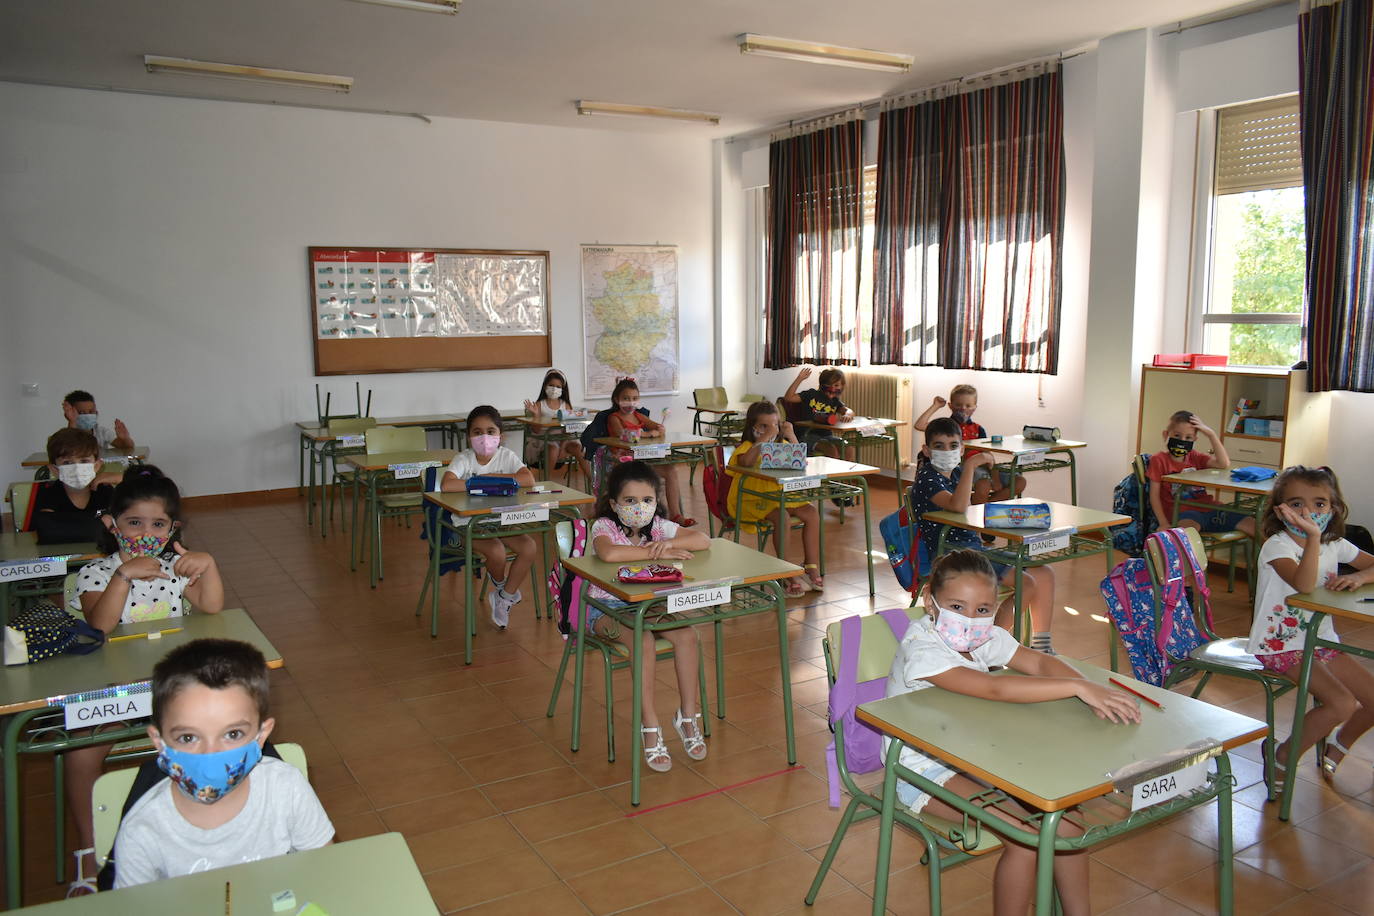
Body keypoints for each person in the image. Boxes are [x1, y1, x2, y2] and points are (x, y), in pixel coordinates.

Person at [885, 549, 1139, 916]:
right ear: (929, 600)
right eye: (957, 606)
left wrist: (1087, 689)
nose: (970, 620)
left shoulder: (981, 636)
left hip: (976, 757)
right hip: (919, 770)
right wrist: (1077, 689)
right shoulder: (923, 647)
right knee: (1027, 839)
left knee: (1067, 825)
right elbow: (994, 689)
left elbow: (1036, 659)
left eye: (983, 610)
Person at [63, 465, 224, 895]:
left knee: (216, 732)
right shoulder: (97, 573)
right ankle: (88, 848)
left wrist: (206, 566)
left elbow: (211, 607)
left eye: (158, 524)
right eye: (134, 523)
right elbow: (100, 624)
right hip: (118, 690)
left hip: (169, 690)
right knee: (80, 753)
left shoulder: (173, 568)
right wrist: (124, 576)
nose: (145, 533)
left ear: (173, 529)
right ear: (112, 526)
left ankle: (199, 833)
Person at [111, 638, 334, 887]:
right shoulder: (142, 831)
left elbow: (324, 873)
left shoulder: (286, 788)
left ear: (261, 735)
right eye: (188, 737)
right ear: (158, 740)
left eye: (233, 734)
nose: (211, 753)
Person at [1246, 466, 1374, 784]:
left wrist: (1357, 575)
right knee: (1342, 703)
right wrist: (1314, 538)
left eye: (1319, 504)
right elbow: (1304, 584)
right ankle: (1282, 756)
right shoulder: (1277, 546)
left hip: (1321, 639)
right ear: (1280, 509)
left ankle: (1338, 747)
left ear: (1333, 509)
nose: (1309, 512)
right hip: (1279, 645)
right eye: (1297, 503)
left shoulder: (1336, 544)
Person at [587, 460, 711, 772]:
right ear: (614, 504)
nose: (639, 508)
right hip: (606, 608)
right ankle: (650, 725)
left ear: (656, 502)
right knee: (641, 641)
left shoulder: (657, 527)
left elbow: (702, 540)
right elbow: (610, 554)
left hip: (649, 605)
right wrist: (660, 552)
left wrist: (667, 542)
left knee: (686, 634)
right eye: (630, 501)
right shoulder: (603, 526)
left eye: (647, 500)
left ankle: (687, 715)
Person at [909, 419, 1058, 654]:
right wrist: (971, 467)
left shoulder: (956, 473)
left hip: (972, 549)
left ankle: (1042, 646)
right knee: (1026, 582)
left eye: (952, 445)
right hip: (951, 554)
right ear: (927, 450)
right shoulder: (926, 479)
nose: (946, 451)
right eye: (939, 446)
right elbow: (958, 506)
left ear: (961, 448)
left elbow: (979, 502)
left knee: (1044, 573)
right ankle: (985, 647)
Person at [440, 405, 538, 629]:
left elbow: (528, 480)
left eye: (491, 431)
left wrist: (491, 476)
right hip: (467, 524)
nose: (484, 437)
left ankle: (503, 596)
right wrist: (484, 482)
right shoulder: (464, 458)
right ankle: (502, 585)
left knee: (529, 547)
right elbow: (447, 484)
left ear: (500, 436)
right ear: (468, 437)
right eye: (477, 432)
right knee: (496, 551)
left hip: (501, 519)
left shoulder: (506, 455)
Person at [725, 401, 823, 596]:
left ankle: (811, 565)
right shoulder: (747, 446)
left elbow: (801, 462)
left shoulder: (781, 446)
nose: (771, 430)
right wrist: (763, 440)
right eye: (764, 426)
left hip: (780, 496)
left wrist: (791, 435)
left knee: (811, 512)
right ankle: (785, 572)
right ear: (752, 427)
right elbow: (745, 462)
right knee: (783, 517)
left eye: (775, 425)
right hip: (752, 499)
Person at [1145, 410, 1256, 538]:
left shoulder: (1195, 457)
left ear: (1194, 439)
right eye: (1177, 435)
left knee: (1253, 525)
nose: (1182, 440)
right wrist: (1163, 523)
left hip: (1210, 509)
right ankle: (1190, 558)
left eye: (1188, 437)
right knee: (1188, 534)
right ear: (1166, 435)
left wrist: (1211, 434)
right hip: (1183, 513)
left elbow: (1223, 463)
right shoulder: (1159, 460)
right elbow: (1154, 496)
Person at [605, 378, 694, 526]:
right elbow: (625, 435)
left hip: (643, 459)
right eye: (626, 399)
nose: (630, 402)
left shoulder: (639, 416)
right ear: (616, 399)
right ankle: (651, 516)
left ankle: (676, 515)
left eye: (634, 399)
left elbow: (657, 427)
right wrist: (648, 434)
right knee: (651, 477)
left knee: (670, 470)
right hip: (624, 463)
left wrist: (659, 429)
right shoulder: (614, 418)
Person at [914, 384, 1022, 500]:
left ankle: (989, 508)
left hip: (983, 466)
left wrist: (995, 478)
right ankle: (978, 511)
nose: (963, 409)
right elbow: (919, 425)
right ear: (950, 406)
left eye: (968, 405)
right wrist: (936, 406)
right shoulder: (947, 427)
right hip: (964, 467)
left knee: (1020, 482)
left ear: (975, 407)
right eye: (958, 405)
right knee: (984, 485)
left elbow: (988, 455)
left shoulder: (978, 429)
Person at [32, 429, 123, 544]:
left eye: (84, 461)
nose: (76, 468)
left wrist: (124, 478)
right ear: (55, 470)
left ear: (96, 466)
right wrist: (102, 523)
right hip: (61, 558)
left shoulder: (104, 490)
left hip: (101, 557)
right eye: (67, 463)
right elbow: (48, 532)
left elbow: (123, 526)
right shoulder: (48, 493)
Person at [522, 368, 591, 481]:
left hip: (564, 439)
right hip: (544, 440)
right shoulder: (539, 405)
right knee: (553, 448)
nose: (554, 389)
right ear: (545, 386)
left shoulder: (566, 405)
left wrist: (562, 448)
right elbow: (536, 431)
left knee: (578, 447)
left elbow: (568, 429)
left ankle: (593, 482)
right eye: (551, 385)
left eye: (558, 387)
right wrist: (535, 415)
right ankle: (546, 482)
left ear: (563, 389)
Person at [782, 366, 856, 460]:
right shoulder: (811, 394)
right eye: (829, 385)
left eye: (836, 385)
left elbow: (848, 411)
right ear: (823, 385)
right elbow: (788, 398)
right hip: (807, 435)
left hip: (826, 436)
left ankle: (845, 474)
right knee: (832, 450)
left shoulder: (835, 401)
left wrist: (848, 414)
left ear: (842, 386)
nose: (832, 388)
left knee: (849, 448)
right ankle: (830, 474)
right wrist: (799, 379)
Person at [62, 389, 133, 450]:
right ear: (68, 415)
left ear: (96, 413)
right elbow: (69, 448)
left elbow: (126, 448)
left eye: (90, 411)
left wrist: (125, 439)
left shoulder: (102, 432)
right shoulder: (64, 436)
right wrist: (72, 422)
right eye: (81, 412)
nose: (87, 415)